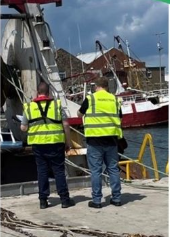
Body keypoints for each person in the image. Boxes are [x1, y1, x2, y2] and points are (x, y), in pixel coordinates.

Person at [20, 82, 75, 209]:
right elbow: (66, 125)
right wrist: (68, 142)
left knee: (42, 171)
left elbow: (23, 128)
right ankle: (65, 200)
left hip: (39, 145)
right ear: (48, 93)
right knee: (59, 171)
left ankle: (43, 201)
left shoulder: (28, 107)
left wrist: (29, 125)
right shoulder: (57, 105)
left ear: (37, 92)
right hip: (56, 143)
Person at [77, 76, 123, 208]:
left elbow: (80, 114)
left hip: (95, 140)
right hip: (111, 140)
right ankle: (117, 199)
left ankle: (97, 201)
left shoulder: (91, 98)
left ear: (96, 87)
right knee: (113, 169)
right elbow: (120, 116)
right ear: (107, 87)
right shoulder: (114, 99)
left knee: (96, 171)